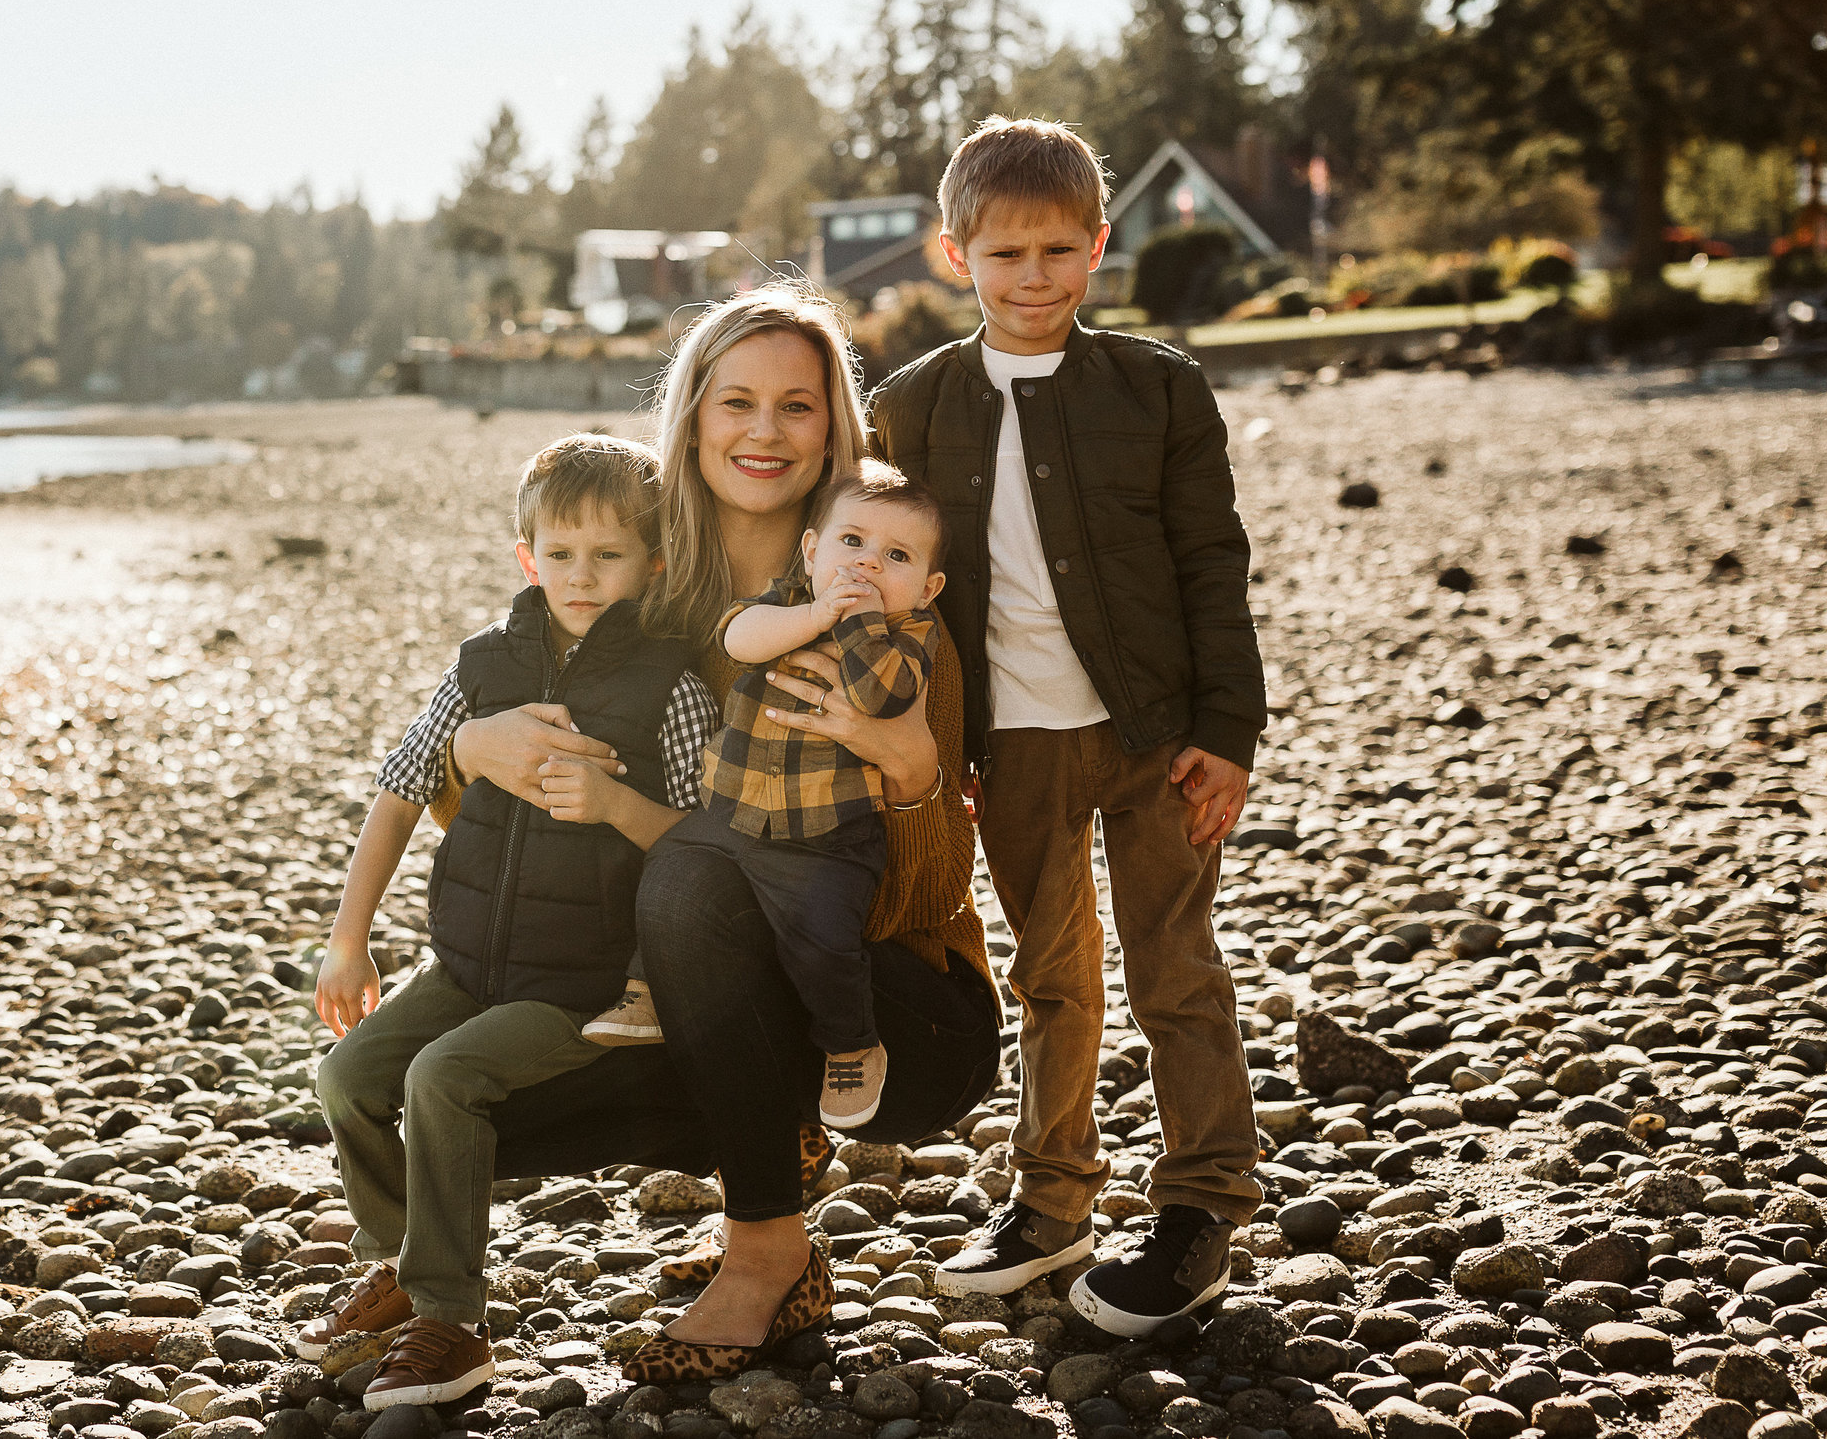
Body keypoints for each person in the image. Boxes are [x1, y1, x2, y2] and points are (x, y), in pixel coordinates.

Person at [444, 285, 1002, 1385]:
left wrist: (904, 770)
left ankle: (765, 1250)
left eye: (797, 406)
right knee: (486, 1089)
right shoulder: (644, 593)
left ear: (833, 426)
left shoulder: (882, 598)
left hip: (892, 1004)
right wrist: (471, 750)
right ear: (692, 415)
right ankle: (756, 1145)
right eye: (735, 401)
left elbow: (933, 885)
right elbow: (497, 777)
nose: (762, 431)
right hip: (685, 981)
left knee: (697, 885)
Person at [872, 115, 1270, 1337]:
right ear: (957, 256)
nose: (1032, 278)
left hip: (1156, 733)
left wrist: (1229, 732)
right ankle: (1054, 1200)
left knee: (1174, 968)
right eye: (1004, 256)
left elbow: (1212, 562)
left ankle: (1202, 1204)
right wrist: (931, 756)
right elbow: (884, 587)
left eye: (1057, 250)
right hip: (1013, 745)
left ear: (1099, 245)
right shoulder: (912, 406)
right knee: (1051, 976)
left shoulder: (1158, 387)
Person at [301, 433, 718, 1408]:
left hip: (587, 980)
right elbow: (401, 789)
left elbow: (708, 844)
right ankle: (400, 1261)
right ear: (527, 555)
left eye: (607, 554)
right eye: (561, 553)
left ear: (651, 562)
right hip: (467, 960)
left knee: (442, 1077)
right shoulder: (481, 666)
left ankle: (453, 1319)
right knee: (349, 1075)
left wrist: (619, 808)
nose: (582, 574)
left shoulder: (671, 683)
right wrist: (348, 935)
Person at [665, 458, 943, 1127]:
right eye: (851, 543)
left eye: (895, 555)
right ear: (813, 550)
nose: (867, 564)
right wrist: (818, 611)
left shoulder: (912, 634)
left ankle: (850, 1041)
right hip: (732, 810)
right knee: (668, 876)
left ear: (927, 588)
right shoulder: (786, 601)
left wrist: (856, 622)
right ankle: (645, 982)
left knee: (823, 939)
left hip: (827, 836)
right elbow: (739, 639)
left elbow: (884, 693)